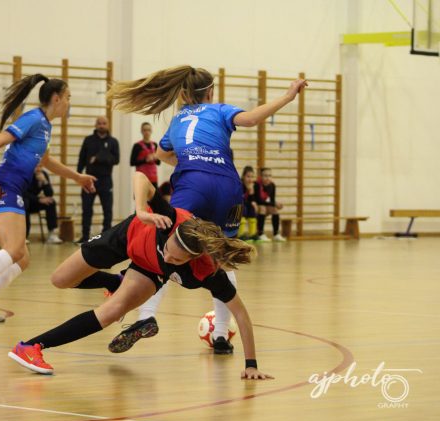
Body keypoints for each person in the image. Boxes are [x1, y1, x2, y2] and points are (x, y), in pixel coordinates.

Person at [105, 65, 307, 353]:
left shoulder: (178, 120)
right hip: (228, 187)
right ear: (210, 92)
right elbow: (251, 119)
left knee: (163, 249)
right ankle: (221, 336)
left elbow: (161, 153)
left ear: (184, 94)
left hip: (193, 186)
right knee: (222, 258)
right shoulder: (219, 110)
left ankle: (146, 316)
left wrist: (189, 163)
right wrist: (288, 96)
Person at [8, 172, 272, 381]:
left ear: (192, 259)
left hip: (150, 271)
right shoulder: (169, 218)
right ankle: (114, 281)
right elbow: (141, 177)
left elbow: (241, 314)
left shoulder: (207, 273)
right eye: (168, 250)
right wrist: (141, 210)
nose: (169, 258)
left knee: (111, 312)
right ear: (169, 234)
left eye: (176, 260)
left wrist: (251, 365)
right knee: (60, 280)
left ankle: (31, 346)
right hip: (128, 237)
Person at [0, 74, 96, 324]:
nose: (69, 103)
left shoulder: (45, 128)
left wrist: (77, 177)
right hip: (3, 186)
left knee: (22, 257)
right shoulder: (34, 119)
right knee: (15, 249)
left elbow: (46, 161)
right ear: (56, 98)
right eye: (68, 97)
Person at [76, 116, 120, 243]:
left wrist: (98, 158)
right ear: (96, 125)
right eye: (99, 123)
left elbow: (116, 160)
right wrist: (78, 176)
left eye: (104, 123)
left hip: (106, 180)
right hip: (89, 179)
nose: (101, 125)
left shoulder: (113, 142)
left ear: (108, 125)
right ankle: (85, 236)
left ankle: (106, 238)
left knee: (107, 210)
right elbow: (82, 159)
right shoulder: (88, 140)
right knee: (86, 209)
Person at [24, 165, 62, 244]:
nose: (38, 168)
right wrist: (39, 199)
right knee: (25, 202)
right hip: (24, 201)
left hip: (34, 203)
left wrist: (45, 181)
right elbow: (24, 193)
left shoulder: (43, 174)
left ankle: (51, 234)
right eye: (36, 166)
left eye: (40, 166)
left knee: (51, 202)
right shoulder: (26, 174)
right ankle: (24, 236)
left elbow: (50, 194)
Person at [255, 167, 285, 242]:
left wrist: (276, 204)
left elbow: (271, 200)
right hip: (255, 206)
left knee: (274, 210)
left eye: (269, 175)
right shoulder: (257, 185)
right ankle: (260, 234)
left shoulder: (272, 185)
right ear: (260, 176)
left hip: (264, 205)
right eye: (265, 175)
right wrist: (274, 203)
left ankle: (276, 234)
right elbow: (258, 200)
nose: (268, 178)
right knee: (263, 208)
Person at [130, 122, 160, 186]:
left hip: (153, 178)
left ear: (151, 131)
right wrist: (145, 160)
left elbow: (158, 162)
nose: (147, 132)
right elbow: (132, 162)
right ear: (141, 131)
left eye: (148, 130)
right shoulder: (137, 145)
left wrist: (156, 157)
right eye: (145, 130)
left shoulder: (155, 145)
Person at [238, 166, 259, 241]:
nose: (250, 179)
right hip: (238, 204)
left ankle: (252, 234)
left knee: (252, 209)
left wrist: (251, 193)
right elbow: (239, 198)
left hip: (246, 204)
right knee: (243, 209)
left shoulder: (255, 185)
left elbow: (253, 200)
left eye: (252, 177)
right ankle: (240, 234)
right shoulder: (240, 184)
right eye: (248, 176)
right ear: (243, 177)